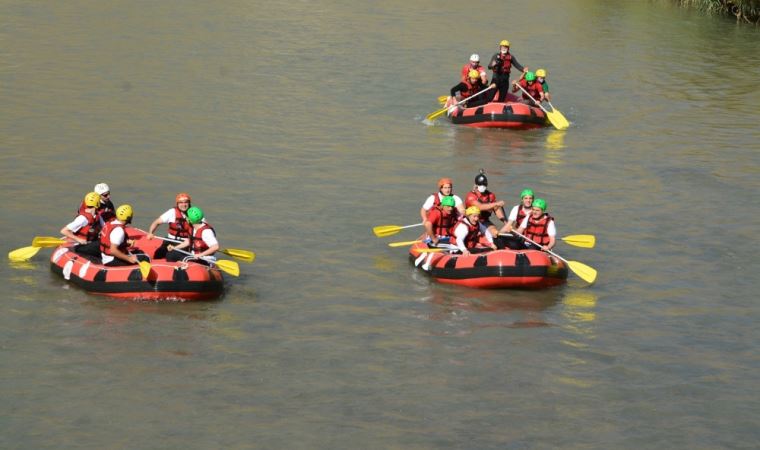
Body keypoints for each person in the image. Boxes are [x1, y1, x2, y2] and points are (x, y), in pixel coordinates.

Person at [146, 192, 194, 258]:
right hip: (170, 240)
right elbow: (156, 222)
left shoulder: (194, 213)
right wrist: (150, 233)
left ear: (189, 203)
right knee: (158, 254)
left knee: (171, 256)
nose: (184, 205)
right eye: (181, 202)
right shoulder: (172, 212)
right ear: (177, 204)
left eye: (186, 202)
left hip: (184, 242)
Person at [464, 170, 507, 238]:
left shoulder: (491, 195)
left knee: (495, 233)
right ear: (476, 185)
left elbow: (496, 209)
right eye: (480, 185)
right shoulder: (471, 196)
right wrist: (496, 203)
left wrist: (505, 222)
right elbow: (480, 207)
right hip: (471, 221)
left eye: (484, 184)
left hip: (484, 221)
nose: (482, 186)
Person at [61, 192, 103, 257]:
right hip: (80, 246)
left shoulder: (97, 215)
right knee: (100, 246)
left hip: (91, 242)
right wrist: (78, 239)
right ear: (97, 203)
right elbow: (64, 231)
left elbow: (104, 227)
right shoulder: (83, 219)